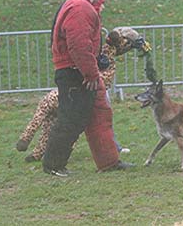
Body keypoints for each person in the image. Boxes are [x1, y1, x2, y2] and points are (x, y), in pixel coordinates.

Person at [15, 25, 151, 162]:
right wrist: (133, 44)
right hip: (85, 91)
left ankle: (31, 145)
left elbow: (112, 50)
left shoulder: (97, 45)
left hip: (66, 89)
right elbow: (110, 55)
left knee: (48, 121)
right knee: (77, 125)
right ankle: (58, 156)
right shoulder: (97, 47)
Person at [42, 0, 134, 176]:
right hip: (77, 73)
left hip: (82, 70)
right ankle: (53, 165)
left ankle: (109, 161)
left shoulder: (75, 5)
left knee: (100, 115)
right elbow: (78, 46)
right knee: (71, 118)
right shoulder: (81, 10)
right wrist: (91, 74)